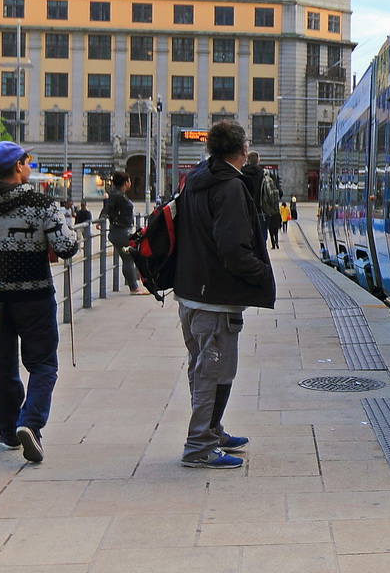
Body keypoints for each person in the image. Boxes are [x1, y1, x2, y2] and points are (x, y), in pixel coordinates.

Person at [0, 141, 80, 462]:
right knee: (43, 365)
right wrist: (73, 235)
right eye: (27, 161)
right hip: (34, 297)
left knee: (2, 368)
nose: (29, 166)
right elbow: (66, 247)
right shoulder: (41, 203)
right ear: (18, 166)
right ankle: (30, 422)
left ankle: (7, 433)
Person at [173, 120, 275, 469]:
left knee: (203, 368)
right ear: (243, 150)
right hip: (216, 298)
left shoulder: (195, 178)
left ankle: (212, 431)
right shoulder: (230, 187)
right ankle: (199, 446)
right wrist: (261, 273)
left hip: (191, 291)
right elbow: (233, 249)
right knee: (214, 373)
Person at [99, 172, 149, 295]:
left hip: (118, 231)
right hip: (122, 232)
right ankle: (134, 287)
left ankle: (133, 283)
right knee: (129, 258)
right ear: (126, 182)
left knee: (128, 258)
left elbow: (108, 207)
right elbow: (108, 208)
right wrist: (102, 218)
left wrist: (102, 218)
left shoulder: (116, 194)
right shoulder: (118, 196)